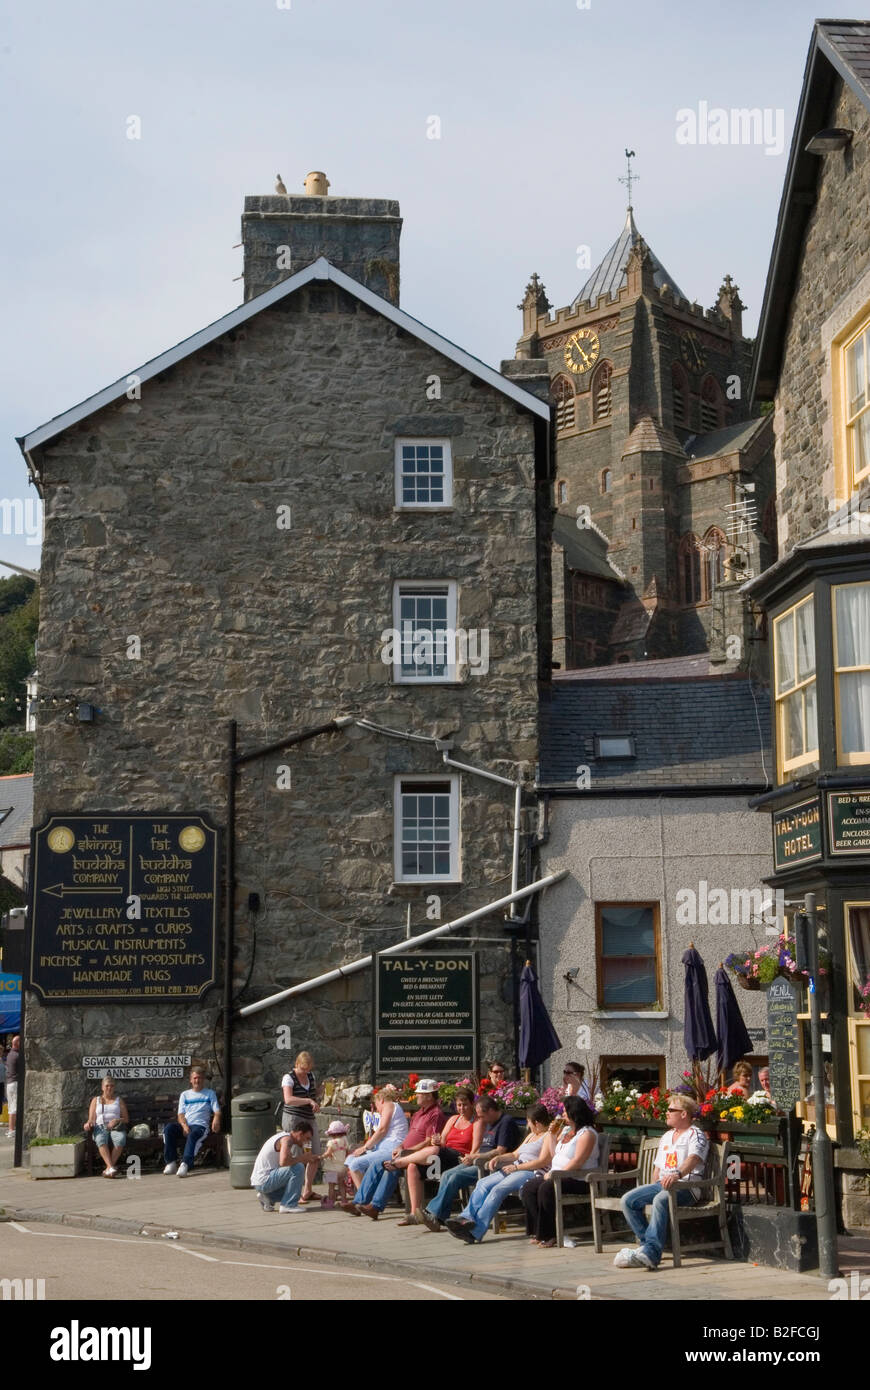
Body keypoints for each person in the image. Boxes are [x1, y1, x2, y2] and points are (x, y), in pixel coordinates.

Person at [614, 1093, 710, 1270]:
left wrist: (677, 1174)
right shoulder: (666, 1136)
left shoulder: (695, 1134)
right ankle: (647, 1247)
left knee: (660, 1199)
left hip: (686, 1187)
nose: (666, 1112)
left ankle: (651, 1253)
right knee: (628, 1200)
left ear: (684, 1114)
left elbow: (694, 1158)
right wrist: (651, 1187)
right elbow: (657, 1168)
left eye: (671, 1110)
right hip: (662, 1185)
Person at [446, 1103, 552, 1244]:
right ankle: (466, 1217)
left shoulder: (548, 1136)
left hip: (529, 1171)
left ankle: (475, 1232)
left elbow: (542, 1161)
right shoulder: (531, 1135)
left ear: (536, 1123)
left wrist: (517, 1169)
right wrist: (499, 1157)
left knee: (498, 1189)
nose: (528, 1124)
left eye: (528, 1121)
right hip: (515, 1167)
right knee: (482, 1183)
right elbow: (515, 1154)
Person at [342, 1078, 445, 1220]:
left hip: (417, 1154)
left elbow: (429, 1141)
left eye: (419, 1093)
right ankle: (359, 1202)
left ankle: (375, 1207)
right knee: (377, 1163)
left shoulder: (435, 1114)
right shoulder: (419, 1113)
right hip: (403, 1151)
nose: (417, 1096)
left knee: (390, 1166)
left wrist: (407, 1150)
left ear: (428, 1096)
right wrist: (401, 1146)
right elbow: (409, 1135)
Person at [419, 1095, 520, 1232]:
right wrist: (472, 1156)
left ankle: (433, 1214)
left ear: (490, 1111)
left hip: (490, 1165)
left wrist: (476, 1156)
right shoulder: (489, 1120)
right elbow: (482, 1146)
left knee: (455, 1177)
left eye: (481, 1116)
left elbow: (500, 1151)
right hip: (478, 1160)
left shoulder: (505, 1122)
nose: (481, 1119)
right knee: (446, 1174)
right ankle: (438, 1218)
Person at [388, 1086, 481, 1225]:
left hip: (460, 1158)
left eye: (465, 1105)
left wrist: (469, 1157)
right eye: (459, 1105)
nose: (462, 1108)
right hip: (444, 1156)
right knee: (413, 1166)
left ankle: (400, 1162)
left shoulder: (477, 1122)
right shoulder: (453, 1119)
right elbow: (442, 1142)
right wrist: (435, 1141)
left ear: (472, 1104)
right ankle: (415, 1214)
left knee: (433, 1151)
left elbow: (475, 1148)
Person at [520, 1096, 600, 1248]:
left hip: (579, 1179)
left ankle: (550, 1235)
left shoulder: (587, 1134)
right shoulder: (565, 1130)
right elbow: (554, 1154)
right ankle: (540, 1232)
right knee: (529, 1187)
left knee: (546, 1188)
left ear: (573, 1113)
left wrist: (557, 1174)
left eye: (564, 1111)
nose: (562, 1114)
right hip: (559, 1176)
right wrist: (551, 1135)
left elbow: (578, 1162)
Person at [346, 1084, 409, 1189]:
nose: (377, 1110)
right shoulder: (389, 1107)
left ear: (382, 1100)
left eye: (376, 1105)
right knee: (350, 1159)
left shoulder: (389, 1105)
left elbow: (382, 1130)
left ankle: (363, 1199)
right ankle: (362, 1196)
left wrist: (364, 1148)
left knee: (355, 1164)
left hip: (391, 1148)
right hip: (383, 1147)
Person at [163, 1064, 221, 1176]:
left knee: (193, 1135)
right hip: (186, 1124)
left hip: (200, 1126)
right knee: (169, 1129)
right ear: (191, 1080)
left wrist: (216, 1119)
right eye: (195, 1078)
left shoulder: (210, 1094)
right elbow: (180, 1114)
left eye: (199, 1078)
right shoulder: (184, 1095)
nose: (197, 1080)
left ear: (203, 1079)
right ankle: (171, 1162)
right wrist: (184, 1126)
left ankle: (185, 1164)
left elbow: (217, 1111)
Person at [280, 1050, 321, 1202]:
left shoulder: (311, 1076)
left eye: (308, 1069)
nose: (306, 1072)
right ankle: (294, 1192)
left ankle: (308, 1190)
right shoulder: (288, 1078)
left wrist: (320, 1092)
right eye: (303, 1069)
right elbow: (288, 1099)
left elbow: (312, 1095)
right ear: (297, 1064)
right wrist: (309, 1101)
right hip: (294, 1119)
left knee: (314, 1155)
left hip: (309, 1119)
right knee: (297, 1156)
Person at [250, 1121, 318, 1213]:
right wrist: (302, 1158)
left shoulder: (283, 1136)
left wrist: (307, 1158)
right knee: (298, 1168)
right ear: (300, 1134)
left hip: (259, 1180)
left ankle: (268, 1198)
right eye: (307, 1138)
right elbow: (283, 1162)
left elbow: (287, 1162)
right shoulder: (287, 1139)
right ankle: (288, 1205)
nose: (307, 1142)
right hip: (264, 1180)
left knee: (295, 1187)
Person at [83, 1076, 129, 1176]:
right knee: (100, 1139)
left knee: (120, 1139)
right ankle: (111, 1167)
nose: (109, 1088)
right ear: (102, 1087)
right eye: (107, 1086)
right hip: (100, 1126)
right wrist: (88, 1123)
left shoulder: (118, 1100)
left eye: (112, 1086)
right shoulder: (96, 1100)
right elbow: (91, 1119)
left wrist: (116, 1120)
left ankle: (108, 1168)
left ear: (114, 1087)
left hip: (116, 1127)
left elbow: (126, 1119)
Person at [320, 1120, 350, 1208]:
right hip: (342, 1168)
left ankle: (330, 1201)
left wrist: (321, 1157)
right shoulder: (345, 1141)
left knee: (331, 1186)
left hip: (332, 1169)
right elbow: (347, 1153)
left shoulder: (331, 1142)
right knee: (341, 1185)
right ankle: (344, 1200)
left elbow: (328, 1153)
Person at [5, 1035, 19, 1140]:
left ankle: (11, 1129)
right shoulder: (17, 1055)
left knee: (11, 1106)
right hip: (15, 1083)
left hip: (9, 1083)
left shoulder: (10, 1054)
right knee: (14, 1107)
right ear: (17, 1043)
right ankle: (11, 1130)